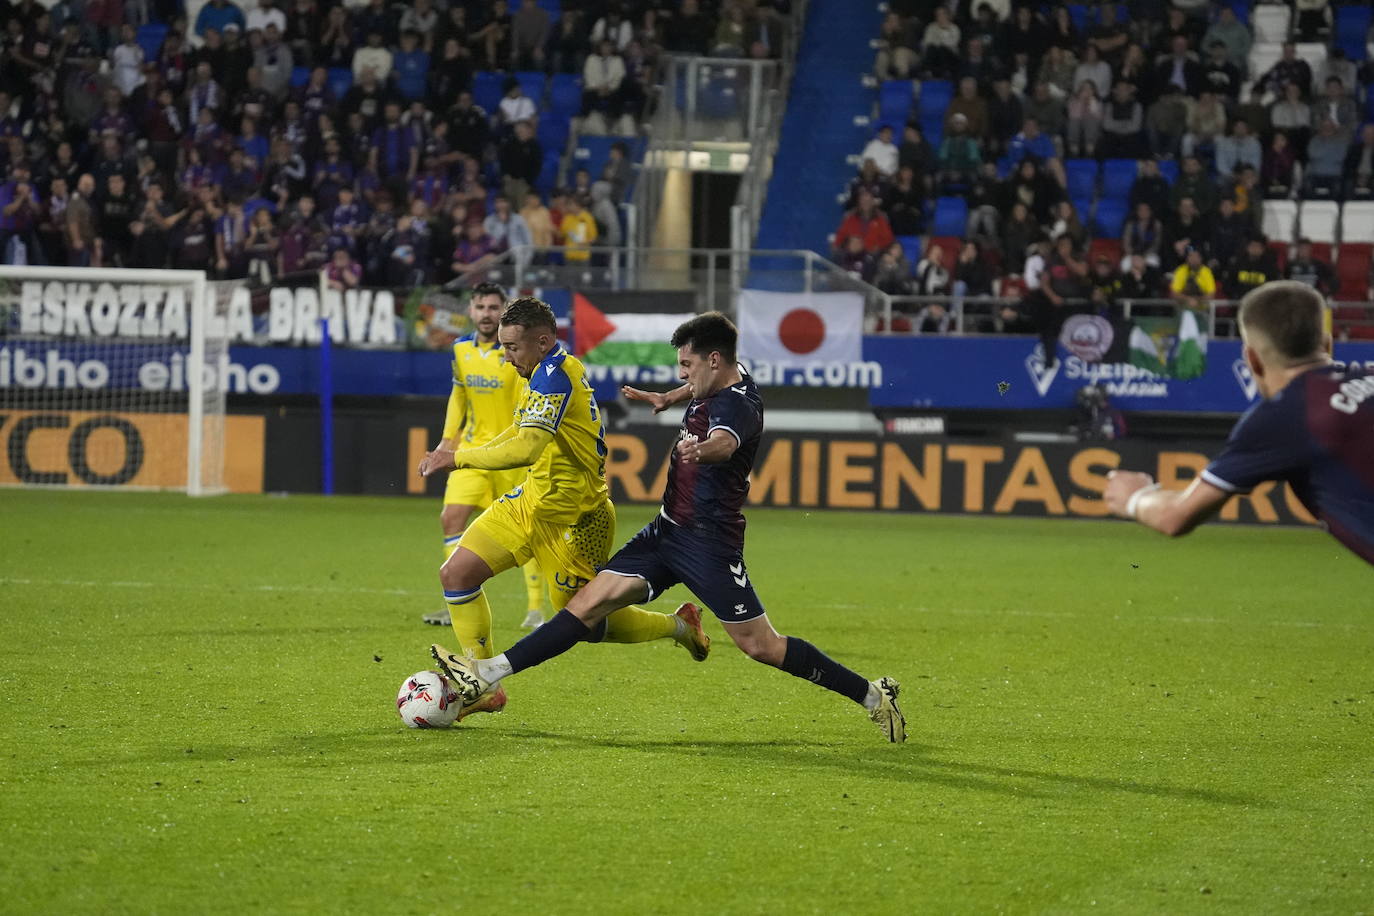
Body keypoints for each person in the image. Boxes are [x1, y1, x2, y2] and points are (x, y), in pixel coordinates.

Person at [429, 311, 907, 741]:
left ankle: (871, 695)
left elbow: (724, 439)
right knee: (586, 606)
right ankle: (490, 672)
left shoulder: (736, 407)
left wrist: (707, 450)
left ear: (713, 360)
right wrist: (670, 395)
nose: (682, 372)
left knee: (761, 646)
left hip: (708, 546)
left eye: (686, 366)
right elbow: (704, 389)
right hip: (665, 533)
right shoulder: (724, 378)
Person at [420, 298, 713, 716]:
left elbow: (527, 447)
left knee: (584, 623)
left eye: (513, 347)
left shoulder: (557, 376)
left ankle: (680, 625)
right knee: (457, 573)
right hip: (530, 503)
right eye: (502, 346)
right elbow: (518, 431)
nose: (506, 356)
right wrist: (466, 450)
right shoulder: (537, 370)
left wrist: (459, 457)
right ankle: (481, 682)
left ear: (542, 341)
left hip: (576, 520)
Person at [1105, 281, 1374, 566]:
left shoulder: (1285, 416)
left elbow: (1175, 516)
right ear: (1328, 343)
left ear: (1252, 359)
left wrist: (1135, 497)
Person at [419, 283, 548, 631]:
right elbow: (458, 395)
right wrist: (448, 443)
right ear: (471, 311)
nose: (487, 313)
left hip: (510, 456)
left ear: (503, 310)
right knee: (451, 518)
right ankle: (456, 598)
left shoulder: (516, 352)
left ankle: (536, 609)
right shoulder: (461, 349)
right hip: (471, 452)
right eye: (480, 307)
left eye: (494, 307)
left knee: (527, 532)